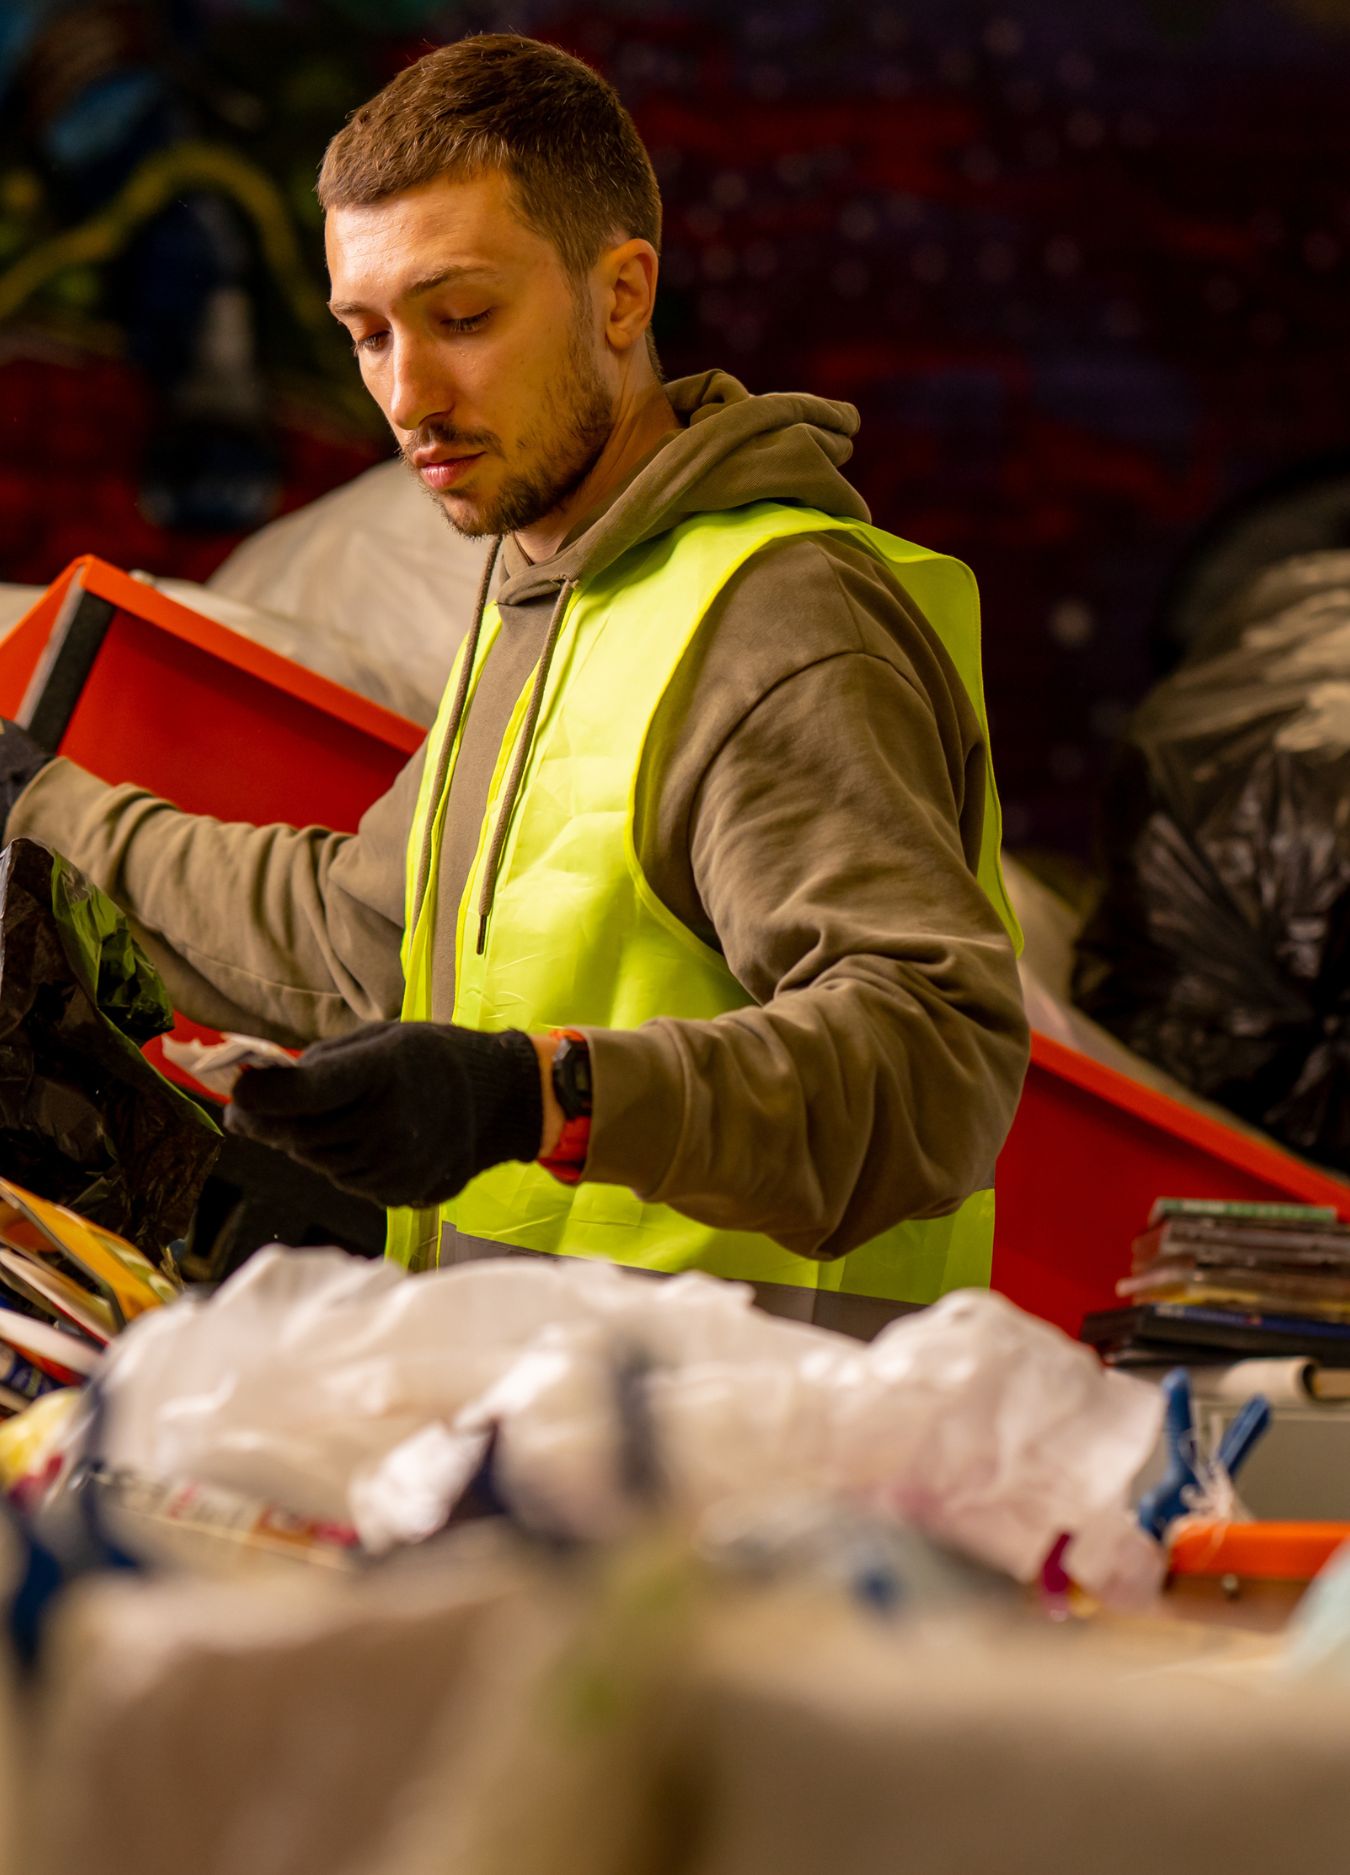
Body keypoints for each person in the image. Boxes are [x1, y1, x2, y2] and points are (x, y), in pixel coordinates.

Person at [0, 33, 1028, 1335]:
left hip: (762, 1476)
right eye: (366, 336)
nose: (408, 394)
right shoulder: (551, 598)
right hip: (556, 1452)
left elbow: (931, 1068)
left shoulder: (774, 623)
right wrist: (43, 810)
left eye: (463, 317)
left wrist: (537, 1096)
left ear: (620, 295)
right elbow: (361, 939)